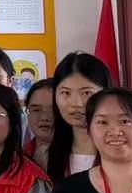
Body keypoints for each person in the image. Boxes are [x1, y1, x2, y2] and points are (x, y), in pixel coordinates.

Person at [44, 51, 115, 184]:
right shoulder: (45, 155)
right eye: (66, 93)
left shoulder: (127, 152)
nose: (76, 103)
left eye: (86, 93)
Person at [23, 78, 56, 160]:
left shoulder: (81, 157)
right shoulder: (19, 158)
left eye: (53, 110)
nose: (44, 118)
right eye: (36, 110)